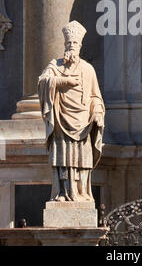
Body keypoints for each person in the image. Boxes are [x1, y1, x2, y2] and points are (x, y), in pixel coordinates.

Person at [38, 20, 105, 202]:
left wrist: (97, 113)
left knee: (82, 160)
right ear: (64, 45)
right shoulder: (55, 66)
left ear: (80, 46)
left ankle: (81, 192)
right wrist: (62, 82)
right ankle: (62, 192)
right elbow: (43, 81)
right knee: (63, 158)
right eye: (68, 43)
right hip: (61, 119)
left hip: (83, 122)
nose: (71, 46)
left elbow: (95, 97)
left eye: (74, 43)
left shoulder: (88, 69)